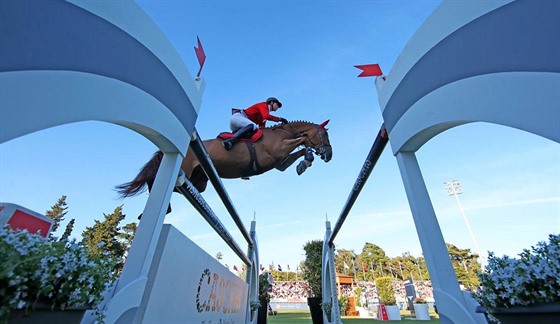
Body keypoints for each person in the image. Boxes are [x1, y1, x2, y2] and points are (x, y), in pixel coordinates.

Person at [222, 97, 288, 151]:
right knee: (253, 126)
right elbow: (266, 116)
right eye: (277, 104)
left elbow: (262, 129)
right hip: (237, 118)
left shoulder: (264, 115)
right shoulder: (263, 105)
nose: (278, 107)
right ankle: (230, 141)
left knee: (254, 132)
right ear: (271, 102)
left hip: (240, 125)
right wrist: (280, 119)